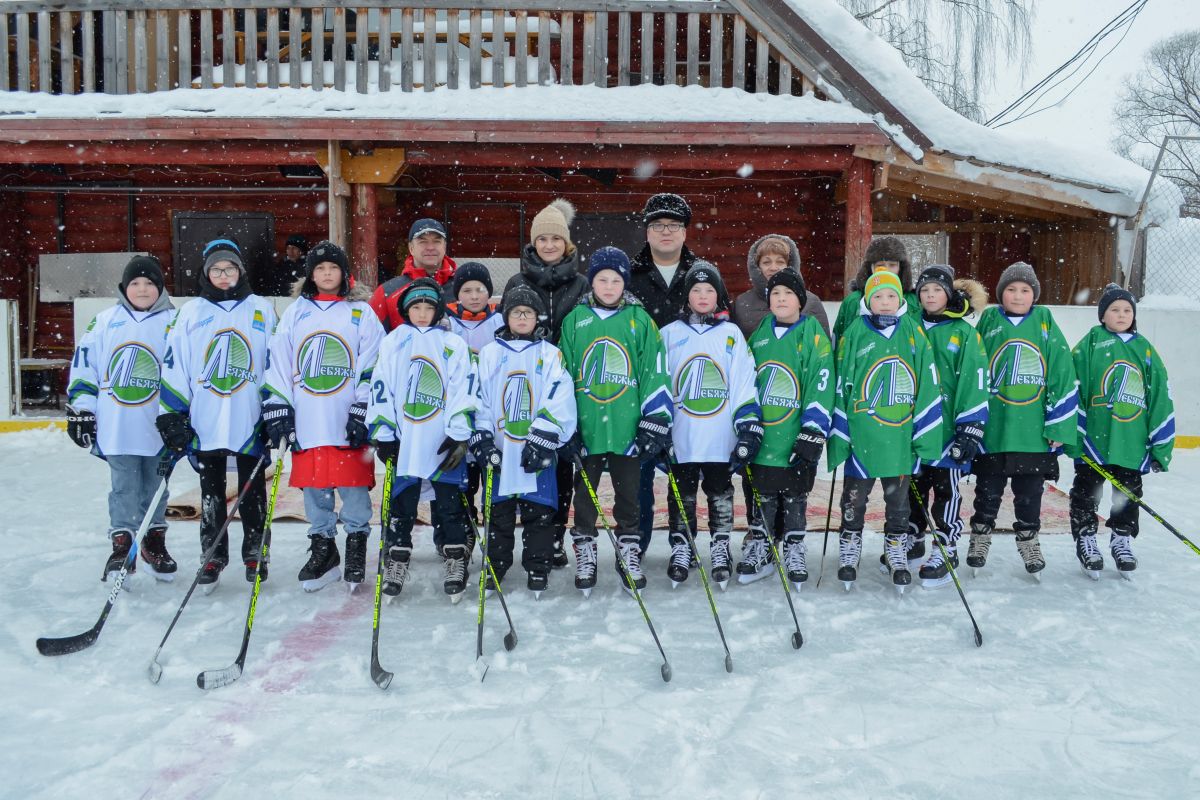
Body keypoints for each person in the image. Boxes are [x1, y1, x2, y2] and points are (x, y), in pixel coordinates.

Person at [261, 241, 385, 592]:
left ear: (345, 273)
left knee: (353, 487)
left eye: (333, 268)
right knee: (315, 485)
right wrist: (280, 407)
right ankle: (323, 548)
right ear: (310, 274)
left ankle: (356, 543)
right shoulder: (296, 312)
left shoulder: (360, 312)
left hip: (345, 416)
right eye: (320, 269)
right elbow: (280, 362)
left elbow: (373, 361)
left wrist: (362, 407)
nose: (327, 274)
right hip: (309, 415)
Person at [157, 239, 278, 589]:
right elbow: (174, 364)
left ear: (240, 271)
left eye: (230, 269)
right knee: (210, 491)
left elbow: (277, 362)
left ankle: (256, 551)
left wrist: (274, 408)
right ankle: (212, 554)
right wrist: (173, 413)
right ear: (206, 274)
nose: (224, 276)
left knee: (252, 489)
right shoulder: (190, 313)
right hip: (205, 417)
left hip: (248, 415)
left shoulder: (262, 309)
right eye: (216, 270)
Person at [558, 247, 672, 595]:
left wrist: (654, 419)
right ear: (592, 282)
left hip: (627, 425)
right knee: (585, 495)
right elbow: (561, 375)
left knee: (630, 495)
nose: (609, 286)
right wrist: (566, 426)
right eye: (602, 279)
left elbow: (655, 372)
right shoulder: (575, 320)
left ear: (625, 283)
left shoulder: (640, 321)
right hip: (588, 425)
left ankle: (628, 550)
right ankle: (586, 548)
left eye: (616, 280)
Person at [828, 269, 943, 592]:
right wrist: (842, 431)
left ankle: (896, 549)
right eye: (878, 296)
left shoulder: (913, 333)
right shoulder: (854, 333)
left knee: (899, 503)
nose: (885, 302)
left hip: (900, 436)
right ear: (867, 300)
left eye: (891, 295)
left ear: (901, 299)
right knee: (854, 498)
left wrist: (924, 432)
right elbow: (841, 384)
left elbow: (927, 385)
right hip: (862, 434)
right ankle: (850, 547)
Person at [66, 255, 177, 582]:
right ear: (124, 288)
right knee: (124, 486)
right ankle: (123, 545)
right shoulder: (104, 322)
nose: (142, 289)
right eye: (135, 283)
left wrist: (183, 415)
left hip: (159, 425)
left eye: (149, 283)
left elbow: (185, 373)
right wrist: (83, 409)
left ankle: (153, 542)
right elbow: (85, 368)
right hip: (118, 425)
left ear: (160, 288)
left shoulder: (176, 322)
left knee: (157, 487)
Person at [368, 278, 476, 601]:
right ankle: (397, 556)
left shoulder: (452, 344)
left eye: (429, 307)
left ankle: (456, 557)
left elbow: (462, 388)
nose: (423, 313)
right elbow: (381, 385)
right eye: (416, 307)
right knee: (402, 503)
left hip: (440, 438)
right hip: (406, 438)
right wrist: (384, 433)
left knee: (449, 502)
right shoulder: (394, 342)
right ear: (406, 309)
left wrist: (459, 434)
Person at [967, 262, 1078, 577]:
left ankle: (1029, 541)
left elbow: (1061, 373)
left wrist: (1058, 423)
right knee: (988, 490)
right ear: (1001, 294)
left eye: (1025, 290)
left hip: (1032, 431)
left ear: (1034, 295)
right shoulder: (989, 319)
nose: (1017, 295)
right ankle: (980, 536)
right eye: (1011, 289)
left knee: (1030, 492)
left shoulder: (1043, 321)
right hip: (995, 428)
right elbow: (974, 369)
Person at [659, 262, 761, 589]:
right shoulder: (669, 334)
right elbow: (658, 382)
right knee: (682, 493)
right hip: (683, 433)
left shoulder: (730, 334)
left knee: (720, 490)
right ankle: (682, 545)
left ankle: (720, 545)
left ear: (719, 296)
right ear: (686, 296)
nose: (702, 296)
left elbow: (744, 381)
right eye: (696, 290)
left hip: (719, 435)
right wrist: (657, 423)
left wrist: (747, 424)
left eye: (709, 290)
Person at [470, 285, 577, 595]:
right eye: (516, 312)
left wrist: (543, 437)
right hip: (501, 447)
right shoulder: (490, 353)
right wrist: (483, 438)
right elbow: (480, 398)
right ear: (506, 316)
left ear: (536, 318)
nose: (521, 318)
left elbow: (559, 395)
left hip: (534, 446)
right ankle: (495, 566)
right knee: (498, 515)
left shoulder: (550, 353)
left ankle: (538, 566)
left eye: (527, 313)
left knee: (540, 514)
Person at [503, 198, 589, 568]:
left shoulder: (583, 283)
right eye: (542, 239)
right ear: (533, 243)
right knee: (517, 457)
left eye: (556, 238)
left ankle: (552, 534)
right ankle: (517, 532)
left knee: (560, 463)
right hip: (524, 382)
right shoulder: (517, 282)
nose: (549, 245)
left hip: (565, 384)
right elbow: (506, 330)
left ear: (566, 243)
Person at [1066, 284, 1174, 578]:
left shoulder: (1145, 349)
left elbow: (1160, 399)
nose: (1121, 314)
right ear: (1102, 316)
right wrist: (1072, 435)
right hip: (1094, 441)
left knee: (1127, 494)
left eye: (1127, 310)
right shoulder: (1091, 342)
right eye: (1114, 309)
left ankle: (1121, 538)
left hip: (1132, 441)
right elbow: (1073, 388)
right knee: (1087, 491)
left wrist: (1161, 446)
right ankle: (1086, 537)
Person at [739, 268, 835, 587]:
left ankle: (793, 546)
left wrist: (813, 431)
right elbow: (747, 382)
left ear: (800, 300)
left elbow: (821, 384)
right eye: (775, 294)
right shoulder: (762, 332)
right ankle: (764, 547)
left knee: (794, 496)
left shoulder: (812, 335)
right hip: (765, 436)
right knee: (763, 495)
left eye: (788, 294)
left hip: (795, 435)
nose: (781, 299)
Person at [905, 265, 989, 588]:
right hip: (913, 428)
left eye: (937, 290)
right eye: (925, 290)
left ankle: (947, 544)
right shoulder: (907, 327)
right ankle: (912, 537)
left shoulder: (963, 333)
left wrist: (970, 427)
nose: (930, 295)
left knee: (946, 490)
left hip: (946, 430)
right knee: (912, 489)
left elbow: (974, 382)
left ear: (949, 295)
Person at [628, 193, 701, 552]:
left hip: (690, 387)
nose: (666, 232)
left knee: (683, 470)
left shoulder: (701, 274)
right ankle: (635, 542)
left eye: (673, 225)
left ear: (685, 232)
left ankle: (683, 541)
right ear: (647, 231)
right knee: (639, 470)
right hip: (639, 389)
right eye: (658, 225)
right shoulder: (628, 275)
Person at [732, 233, 831, 339]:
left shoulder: (811, 301)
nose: (773, 268)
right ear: (757, 267)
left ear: (790, 265)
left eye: (780, 262)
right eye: (766, 262)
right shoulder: (742, 303)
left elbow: (823, 348)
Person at [369, 218, 457, 332]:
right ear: (411, 248)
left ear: (444, 247)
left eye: (436, 241)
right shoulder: (387, 293)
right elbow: (371, 340)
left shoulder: (463, 289)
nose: (430, 247)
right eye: (423, 242)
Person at [832, 236, 920, 342]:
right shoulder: (853, 301)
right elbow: (840, 341)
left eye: (892, 265)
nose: (886, 270)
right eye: (880, 265)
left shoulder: (913, 301)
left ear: (901, 268)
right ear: (870, 268)